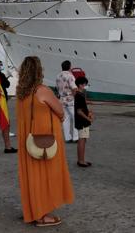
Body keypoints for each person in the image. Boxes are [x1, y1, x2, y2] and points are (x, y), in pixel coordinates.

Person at [16, 56, 74, 227]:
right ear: (38, 71)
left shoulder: (21, 92)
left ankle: (33, 210)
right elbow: (60, 110)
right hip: (45, 140)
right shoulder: (42, 90)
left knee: (32, 175)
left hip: (28, 140)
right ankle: (42, 215)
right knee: (45, 175)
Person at [55, 60, 78, 142]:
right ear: (69, 67)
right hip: (70, 100)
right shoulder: (70, 76)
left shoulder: (58, 76)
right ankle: (76, 137)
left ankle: (67, 137)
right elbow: (74, 88)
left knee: (66, 119)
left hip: (62, 100)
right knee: (76, 118)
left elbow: (57, 88)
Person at [74, 76, 93, 167]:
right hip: (82, 122)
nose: (86, 86)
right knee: (82, 140)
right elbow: (79, 111)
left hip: (81, 121)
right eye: (85, 84)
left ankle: (81, 159)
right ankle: (81, 160)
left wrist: (88, 113)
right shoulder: (79, 96)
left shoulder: (80, 95)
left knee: (83, 140)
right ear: (81, 85)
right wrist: (88, 118)